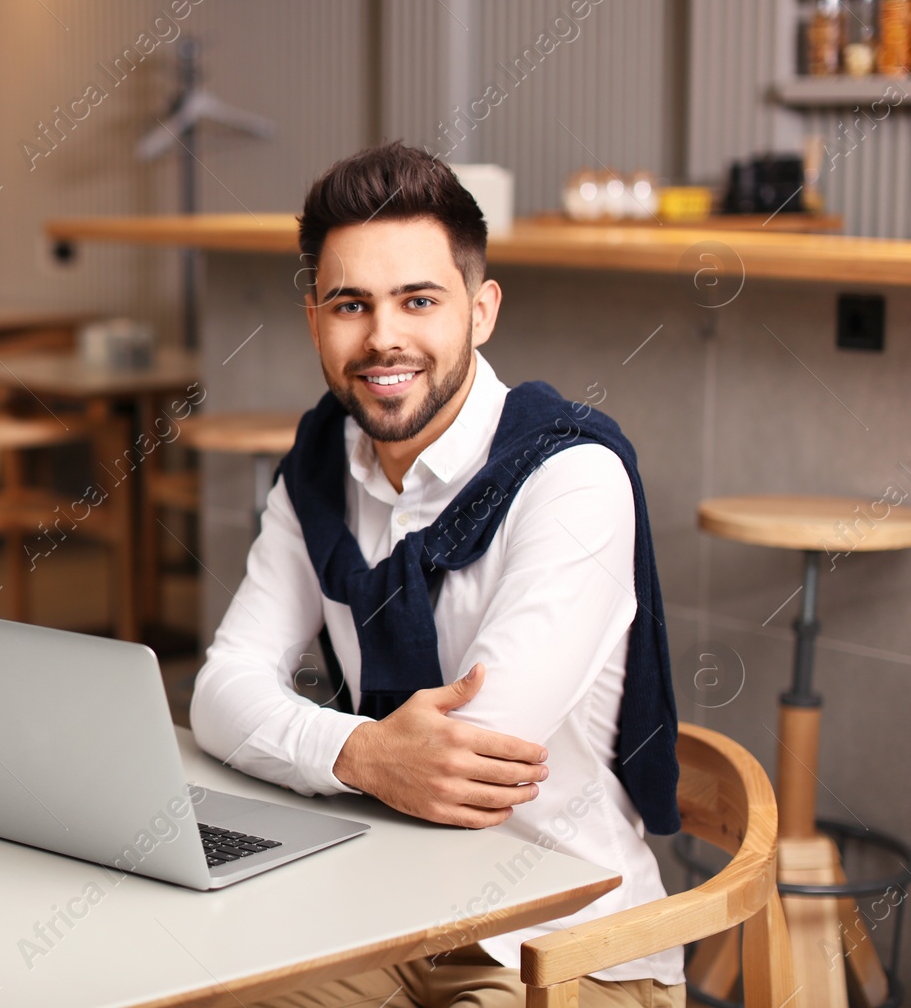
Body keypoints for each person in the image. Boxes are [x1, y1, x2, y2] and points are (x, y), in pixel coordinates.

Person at [189, 142, 685, 1008]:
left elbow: (465, 763)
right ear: (315, 322)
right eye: (351, 304)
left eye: (419, 299)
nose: (384, 337)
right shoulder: (319, 471)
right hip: (376, 909)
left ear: (481, 310)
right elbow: (221, 689)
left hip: (566, 945)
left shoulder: (570, 476)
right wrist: (361, 751)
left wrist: (321, 748)